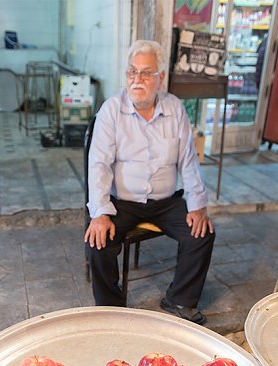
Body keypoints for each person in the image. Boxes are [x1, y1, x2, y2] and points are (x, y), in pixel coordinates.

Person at [84, 39, 215, 325]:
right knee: (98, 243)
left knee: (201, 233)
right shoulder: (111, 111)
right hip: (123, 203)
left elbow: (189, 161)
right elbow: (99, 165)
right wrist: (101, 212)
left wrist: (197, 204)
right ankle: (111, 307)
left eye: (146, 73)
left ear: (160, 78)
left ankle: (180, 300)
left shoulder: (175, 109)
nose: (137, 79)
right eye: (132, 72)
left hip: (165, 202)